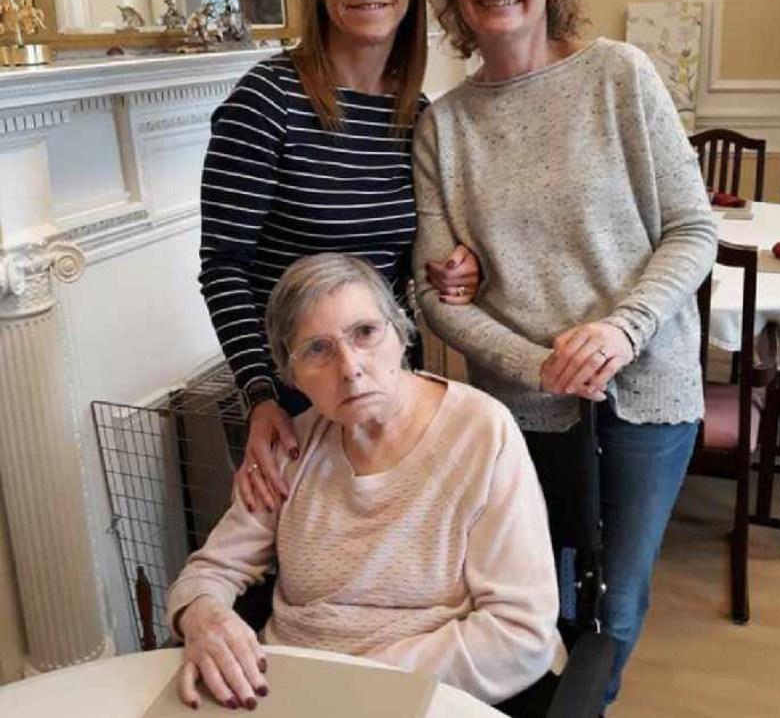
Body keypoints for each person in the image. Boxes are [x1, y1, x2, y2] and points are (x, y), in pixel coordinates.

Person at [413, 0, 717, 709]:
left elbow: (694, 229)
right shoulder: (443, 125)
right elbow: (438, 293)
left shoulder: (620, 76)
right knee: (530, 603)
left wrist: (621, 330)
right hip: (521, 407)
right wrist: (538, 363)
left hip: (647, 389)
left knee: (616, 605)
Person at [167, 253, 564, 711]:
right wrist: (201, 614)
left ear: (400, 334)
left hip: (421, 696)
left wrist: (352, 688)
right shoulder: (293, 446)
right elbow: (210, 570)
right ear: (290, 373)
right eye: (317, 349)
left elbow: (520, 631)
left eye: (365, 333)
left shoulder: (481, 431)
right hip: (287, 693)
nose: (350, 367)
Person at [198, 0, 478, 513]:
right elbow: (223, 267)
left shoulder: (417, 115)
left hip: (384, 385)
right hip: (298, 396)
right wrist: (262, 395)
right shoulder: (265, 102)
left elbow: (404, 267)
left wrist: (454, 268)